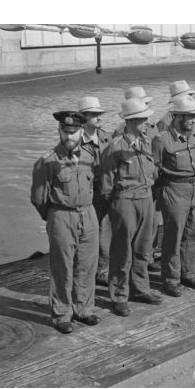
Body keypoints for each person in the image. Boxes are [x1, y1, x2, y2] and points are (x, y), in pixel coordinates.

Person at [31, 111, 99, 334]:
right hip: (62, 215)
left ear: (81, 132)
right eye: (65, 132)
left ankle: (84, 309)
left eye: (74, 132)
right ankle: (62, 314)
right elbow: (38, 199)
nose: (69, 136)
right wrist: (54, 216)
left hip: (88, 214)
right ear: (59, 131)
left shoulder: (90, 157)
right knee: (62, 267)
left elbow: (94, 187)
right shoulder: (47, 161)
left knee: (87, 264)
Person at [99, 97, 163, 316]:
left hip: (145, 197)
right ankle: (118, 295)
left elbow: (152, 170)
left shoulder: (145, 143)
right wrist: (117, 206)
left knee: (144, 248)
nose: (147, 124)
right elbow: (107, 184)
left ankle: (140, 288)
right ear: (132, 121)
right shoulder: (115, 148)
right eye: (143, 120)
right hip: (125, 200)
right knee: (122, 250)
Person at [153, 95, 195, 297]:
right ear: (177, 117)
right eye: (189, 116)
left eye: (194, 116)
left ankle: (189, 272)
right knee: (173, 235)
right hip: (174, 189)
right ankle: (171, 278)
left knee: (193, 232)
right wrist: (163, 195)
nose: (193, 120)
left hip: (194, 189)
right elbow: (155, 170)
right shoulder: (162, 140)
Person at [115, 86, 162, 271]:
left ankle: (147, 259)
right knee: (126, 243)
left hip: (148, 189)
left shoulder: (150, 130)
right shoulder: (119, 137)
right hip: (127, 196)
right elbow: (108, 179)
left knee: (149, 231)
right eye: (144, 104)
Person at [78, 96, 113, 286]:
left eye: (99, 114)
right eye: (94, 115)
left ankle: (103, 269)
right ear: (83, 117)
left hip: (104, 189)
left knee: (105, 228)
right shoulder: (76, 140)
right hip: (87, 191)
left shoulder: (105, 136)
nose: (99, 118)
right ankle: (88, 269)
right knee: (87, 232)